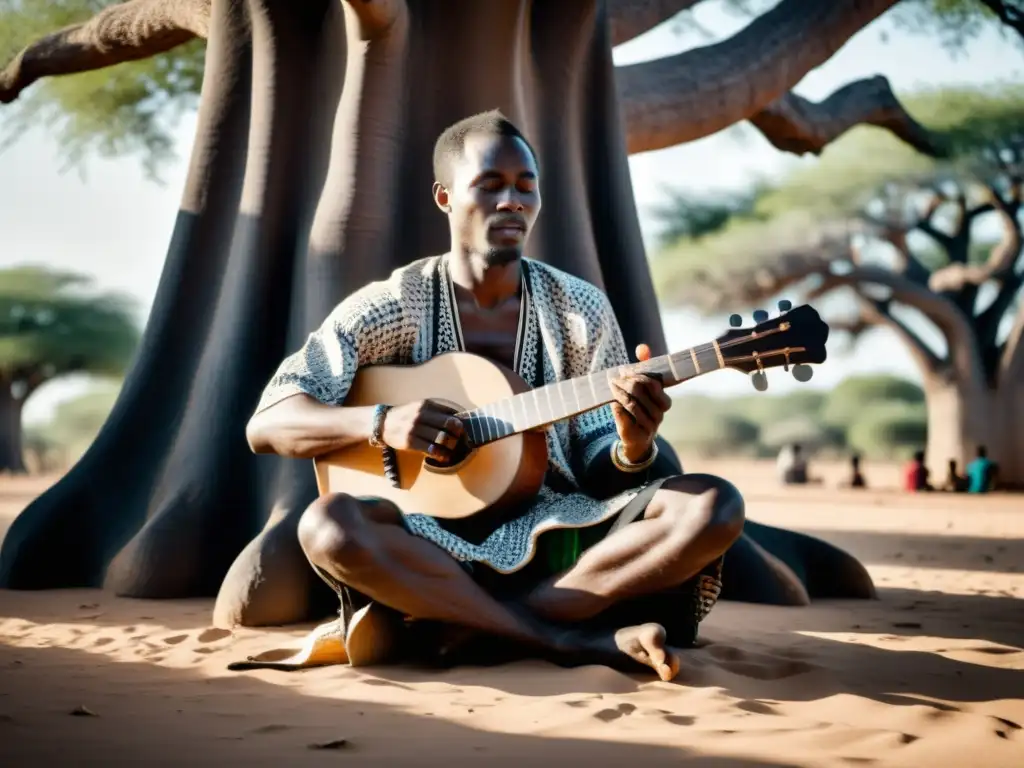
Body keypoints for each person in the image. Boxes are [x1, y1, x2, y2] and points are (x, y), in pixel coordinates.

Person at [243, 110, 745, 682]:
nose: (514, 201)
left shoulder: (577, 309)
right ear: (445, 197)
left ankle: (462, 625)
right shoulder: (394, 305)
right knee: (327, 526)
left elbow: (599, 465)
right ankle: (559, 639)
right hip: (425, 538)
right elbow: (270, 421)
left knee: (712, 505)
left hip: (562, 539)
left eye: (527, 187)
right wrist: (381, 423)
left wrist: (631, 446)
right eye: (491, 185)